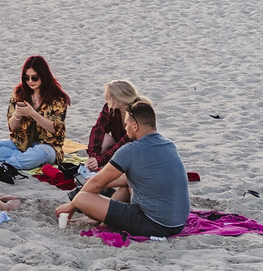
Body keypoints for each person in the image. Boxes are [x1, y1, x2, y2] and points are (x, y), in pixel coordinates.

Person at [56, 98, 188, 238]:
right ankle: (103, 221)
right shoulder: (169, 145)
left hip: (153, 224)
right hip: (178, 223)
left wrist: (71, 206)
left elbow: (97, 183)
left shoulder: (131, 150)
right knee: (126, 186)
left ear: (135, 126)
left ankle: (102, 221)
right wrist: (97, 181)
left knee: (82, 198)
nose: (126, 128)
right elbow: (125, 179)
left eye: (126, 124)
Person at [0, 55, 70, 170]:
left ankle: (8, 163)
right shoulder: (19, 93)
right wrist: (17, 115)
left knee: (39, 154)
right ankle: (18, 160)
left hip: (47, 146)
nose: (30, 81)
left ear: (43, 76)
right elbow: (12, 127)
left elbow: (56, 129)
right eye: (26, 77)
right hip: (20, 144)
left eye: (34, 78)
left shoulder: (57, 98)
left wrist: (33, 113)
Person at [85, 79, 143, 172]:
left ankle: (102, 167)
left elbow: (125, 141)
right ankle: (94, 167)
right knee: (104, 137)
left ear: (120, 100)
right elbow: (99, 127)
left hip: (136, 148)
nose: (106, 99)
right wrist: (93, 156)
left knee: (126, 147)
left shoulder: (137, 112)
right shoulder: (111, 108)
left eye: (109, 97)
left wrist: (100, 160)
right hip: (119, 144)